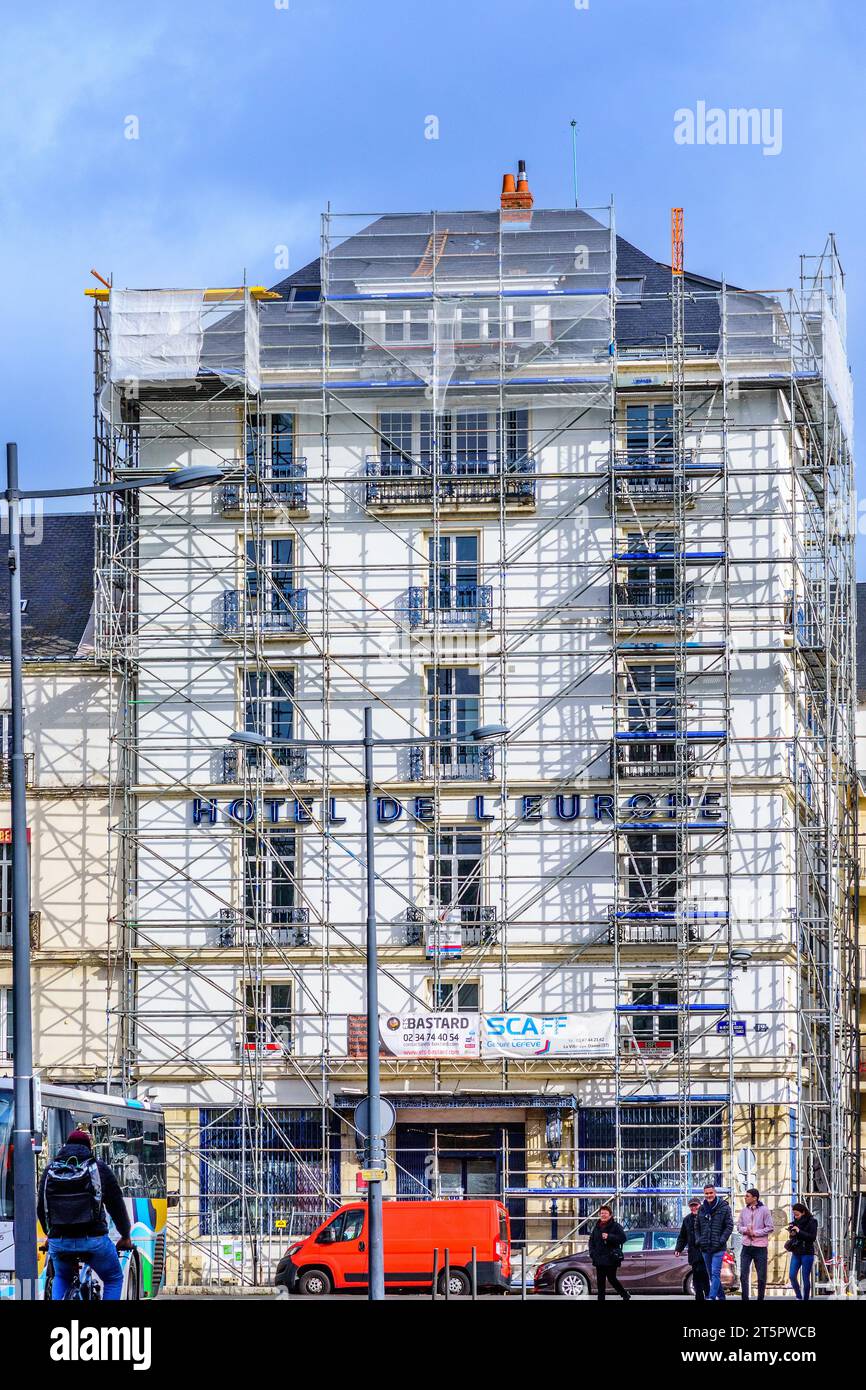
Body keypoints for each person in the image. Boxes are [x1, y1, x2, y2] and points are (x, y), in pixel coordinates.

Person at [37, 1127, 134, 1300]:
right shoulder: (99, 1169)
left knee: (61, 1276)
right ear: (89, 1148)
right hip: (94, 1240)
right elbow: (116, 1206)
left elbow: (41, 1207)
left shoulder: (50, 1170)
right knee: (113, 1278)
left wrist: (49, 1234)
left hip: (59, 1241)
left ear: (65, 1147)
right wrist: (125, 1236)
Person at [695, 1182, 733, 1300]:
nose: (709, 1195)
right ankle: (721, 1298)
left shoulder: (724, 1207)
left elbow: (729, 1226)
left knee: (715, 1273)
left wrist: (721, 1240)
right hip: (705, 1247)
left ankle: (711, 1297)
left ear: (715, 1193)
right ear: (704, 1194)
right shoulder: (701, 1209)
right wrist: (699, 1240)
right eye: (706, 1193)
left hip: (718, 1247)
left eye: (711, 1193)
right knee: (711, 1275)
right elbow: (697, 1227)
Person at [588, 1204, 631, 1302]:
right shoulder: (596, 1227)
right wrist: (592, 1253)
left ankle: (624, 1294)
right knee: (600, 1282)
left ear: (610, 1215)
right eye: (602, 1213)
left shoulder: (615, 1226)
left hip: (611, 1258)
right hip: (599, 1258)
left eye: (605, 1213)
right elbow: (591, 1241)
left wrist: (609, 1237)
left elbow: (623, 1238)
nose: (603, 1215)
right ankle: (601, 1299)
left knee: (612, 1278)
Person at [737, 1187, 774, 1300]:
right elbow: (738, 1227)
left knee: (761, 1276)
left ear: (755, 1198)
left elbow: (770, 1228)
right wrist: (745, 1230)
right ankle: (745, 1298)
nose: (745, 1198)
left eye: (747, 1196)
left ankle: (760, 1298)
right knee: (743, 1275)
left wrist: (755, 1233)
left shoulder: (765, 1210)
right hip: (746, 1247)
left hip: (760, 1248)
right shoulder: (744, 1211)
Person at [676, 1196, 709, 1301]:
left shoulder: (706, 1216)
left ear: (700, 1205)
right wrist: (678, 1249)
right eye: (692, 1206)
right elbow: (682, 1236)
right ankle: (699, 1297)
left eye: (696, 1205)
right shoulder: (687, 1219)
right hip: (694, 1253)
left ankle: (708, 1295)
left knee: (704, 1275)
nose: (694, 1208)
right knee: (696, 1277)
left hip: (704, 1251)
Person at [787, 1203, 818, 1301]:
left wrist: (799, 1231)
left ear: (803, 1212)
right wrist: (791, 1232)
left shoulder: (812, 1221)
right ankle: (798, 1296)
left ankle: (805, 1298)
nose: (796, 1217)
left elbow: (812, 1237)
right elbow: (793, 1237)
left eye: (797, 1214)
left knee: (805, 1277)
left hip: (807, 1252)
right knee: (792, 1276)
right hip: (796, 1252)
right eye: (794, 1215)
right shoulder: (794, 1222)